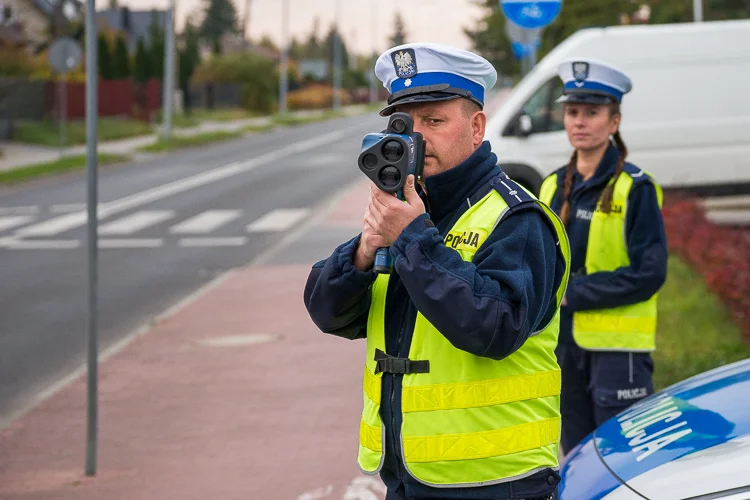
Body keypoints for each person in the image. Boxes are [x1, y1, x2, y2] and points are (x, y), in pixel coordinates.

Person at [304, 42, 571, 500]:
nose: (418, 139)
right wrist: (366, 249)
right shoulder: (406, 211)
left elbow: (494, 328)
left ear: (477, 126)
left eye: (435, 121)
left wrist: (411, 239)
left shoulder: (517, 219)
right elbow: (328, 314)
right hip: (407, 476)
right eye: (405, 124)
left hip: (495, 481)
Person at [538, 59, 668, 455]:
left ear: (614, 122)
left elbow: (650, 273)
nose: (580, 122)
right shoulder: (551, 185)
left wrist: (572, 294)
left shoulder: (637, 188)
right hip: (562, 346)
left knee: (622, 457)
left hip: (618, 353)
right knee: (576, 457)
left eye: (592, 113)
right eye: (572, 112)